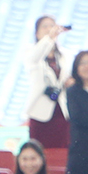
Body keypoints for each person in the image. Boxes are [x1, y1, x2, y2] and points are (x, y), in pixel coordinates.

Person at [22, 15, 68, 150]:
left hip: (62, 111)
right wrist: (49, 38)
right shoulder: (31, 52)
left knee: (62, 151)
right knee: (40, 151)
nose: (49, 29)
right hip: (40, 112)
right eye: (45, 26)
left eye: (52, 26)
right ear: (36, 33)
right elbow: (35, 57)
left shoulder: (64, 55)